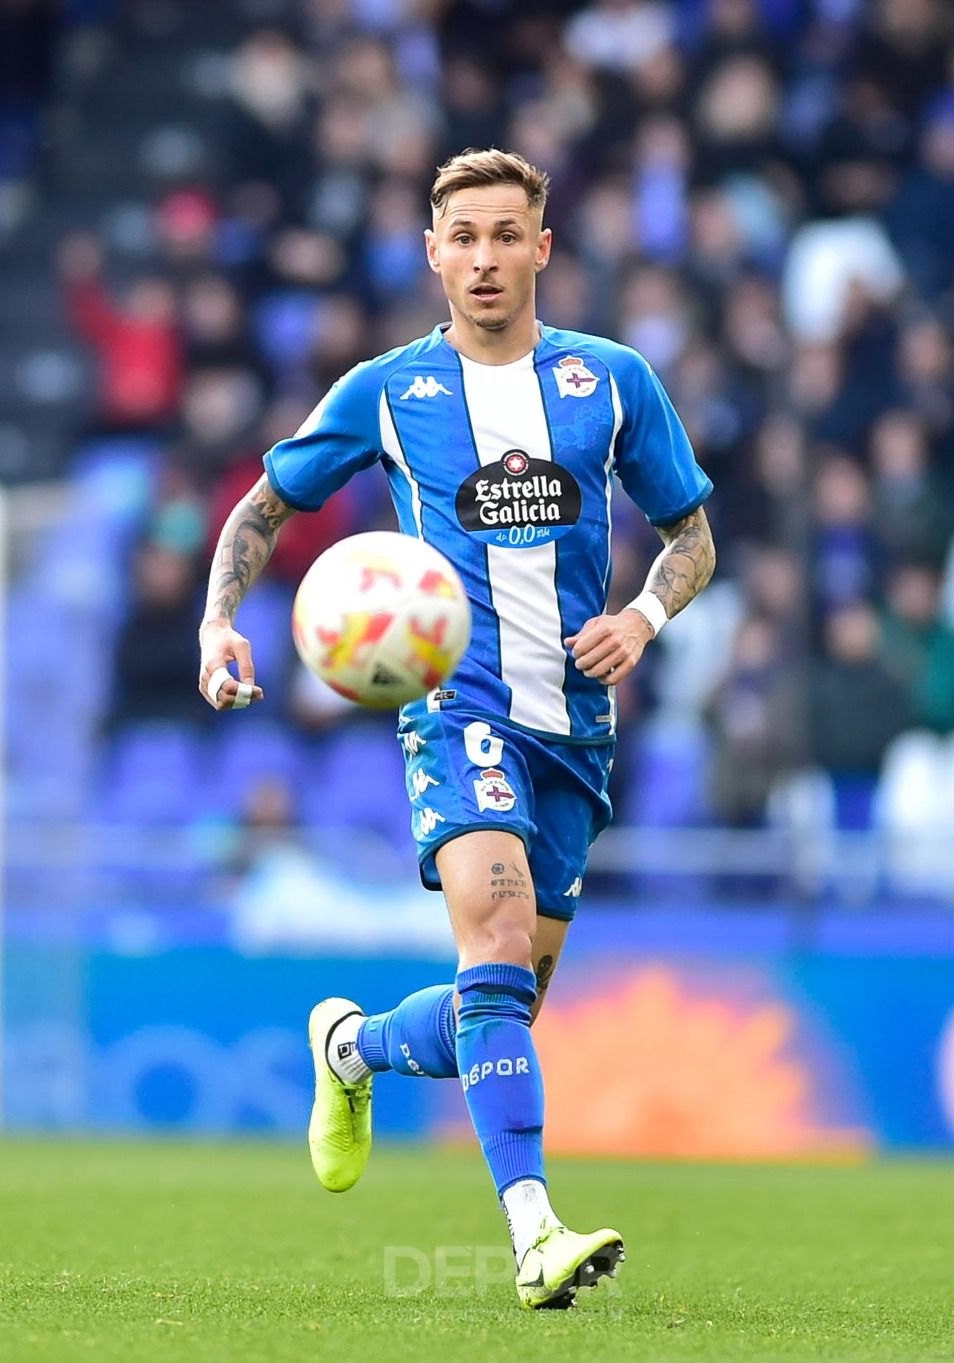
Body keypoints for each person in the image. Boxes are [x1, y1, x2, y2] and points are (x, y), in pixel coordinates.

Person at [195, 149, 715, 1309]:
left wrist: (640, 614)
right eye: (460, 238)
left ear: (541, 248)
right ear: (430, 253)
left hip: (575, 725)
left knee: (503, 1008)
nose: (482, 258)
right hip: (456, 706)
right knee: (492, 943)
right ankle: (533, 1231)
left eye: (503, 235)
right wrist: (219, 622)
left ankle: (351, 1046)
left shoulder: (612, 381)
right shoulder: (386, 391)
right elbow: (266, 503)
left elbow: (692, 537)